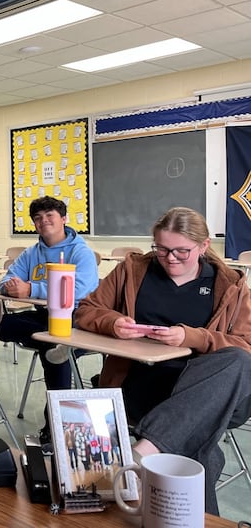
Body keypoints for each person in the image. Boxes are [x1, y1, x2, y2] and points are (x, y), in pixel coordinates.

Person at [75, 207, 251, 515]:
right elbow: (87, 310)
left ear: (204, 246)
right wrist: (112, 322)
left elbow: (246, 345)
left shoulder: (230, 285)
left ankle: (143, 451)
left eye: (182, 251)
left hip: (210, 394)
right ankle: (154, 459)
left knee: (236, 359)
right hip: (140, 388)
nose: (171, 258)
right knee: (200, 452)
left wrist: (193, 338)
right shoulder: (133, 270)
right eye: (162, 249)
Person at [0, 196, 99, 440]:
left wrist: (31, 289)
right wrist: (11, 288)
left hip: (76, 317)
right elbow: (6, 280)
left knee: (53, 350)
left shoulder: (80, 252)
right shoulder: (31, 253)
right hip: (45, 316)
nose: (44, 222)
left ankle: (56, 425)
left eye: (50, 216)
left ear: (63, 219)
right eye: (38, 218)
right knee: (0, 325)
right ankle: (57, 346)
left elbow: (80, 289)